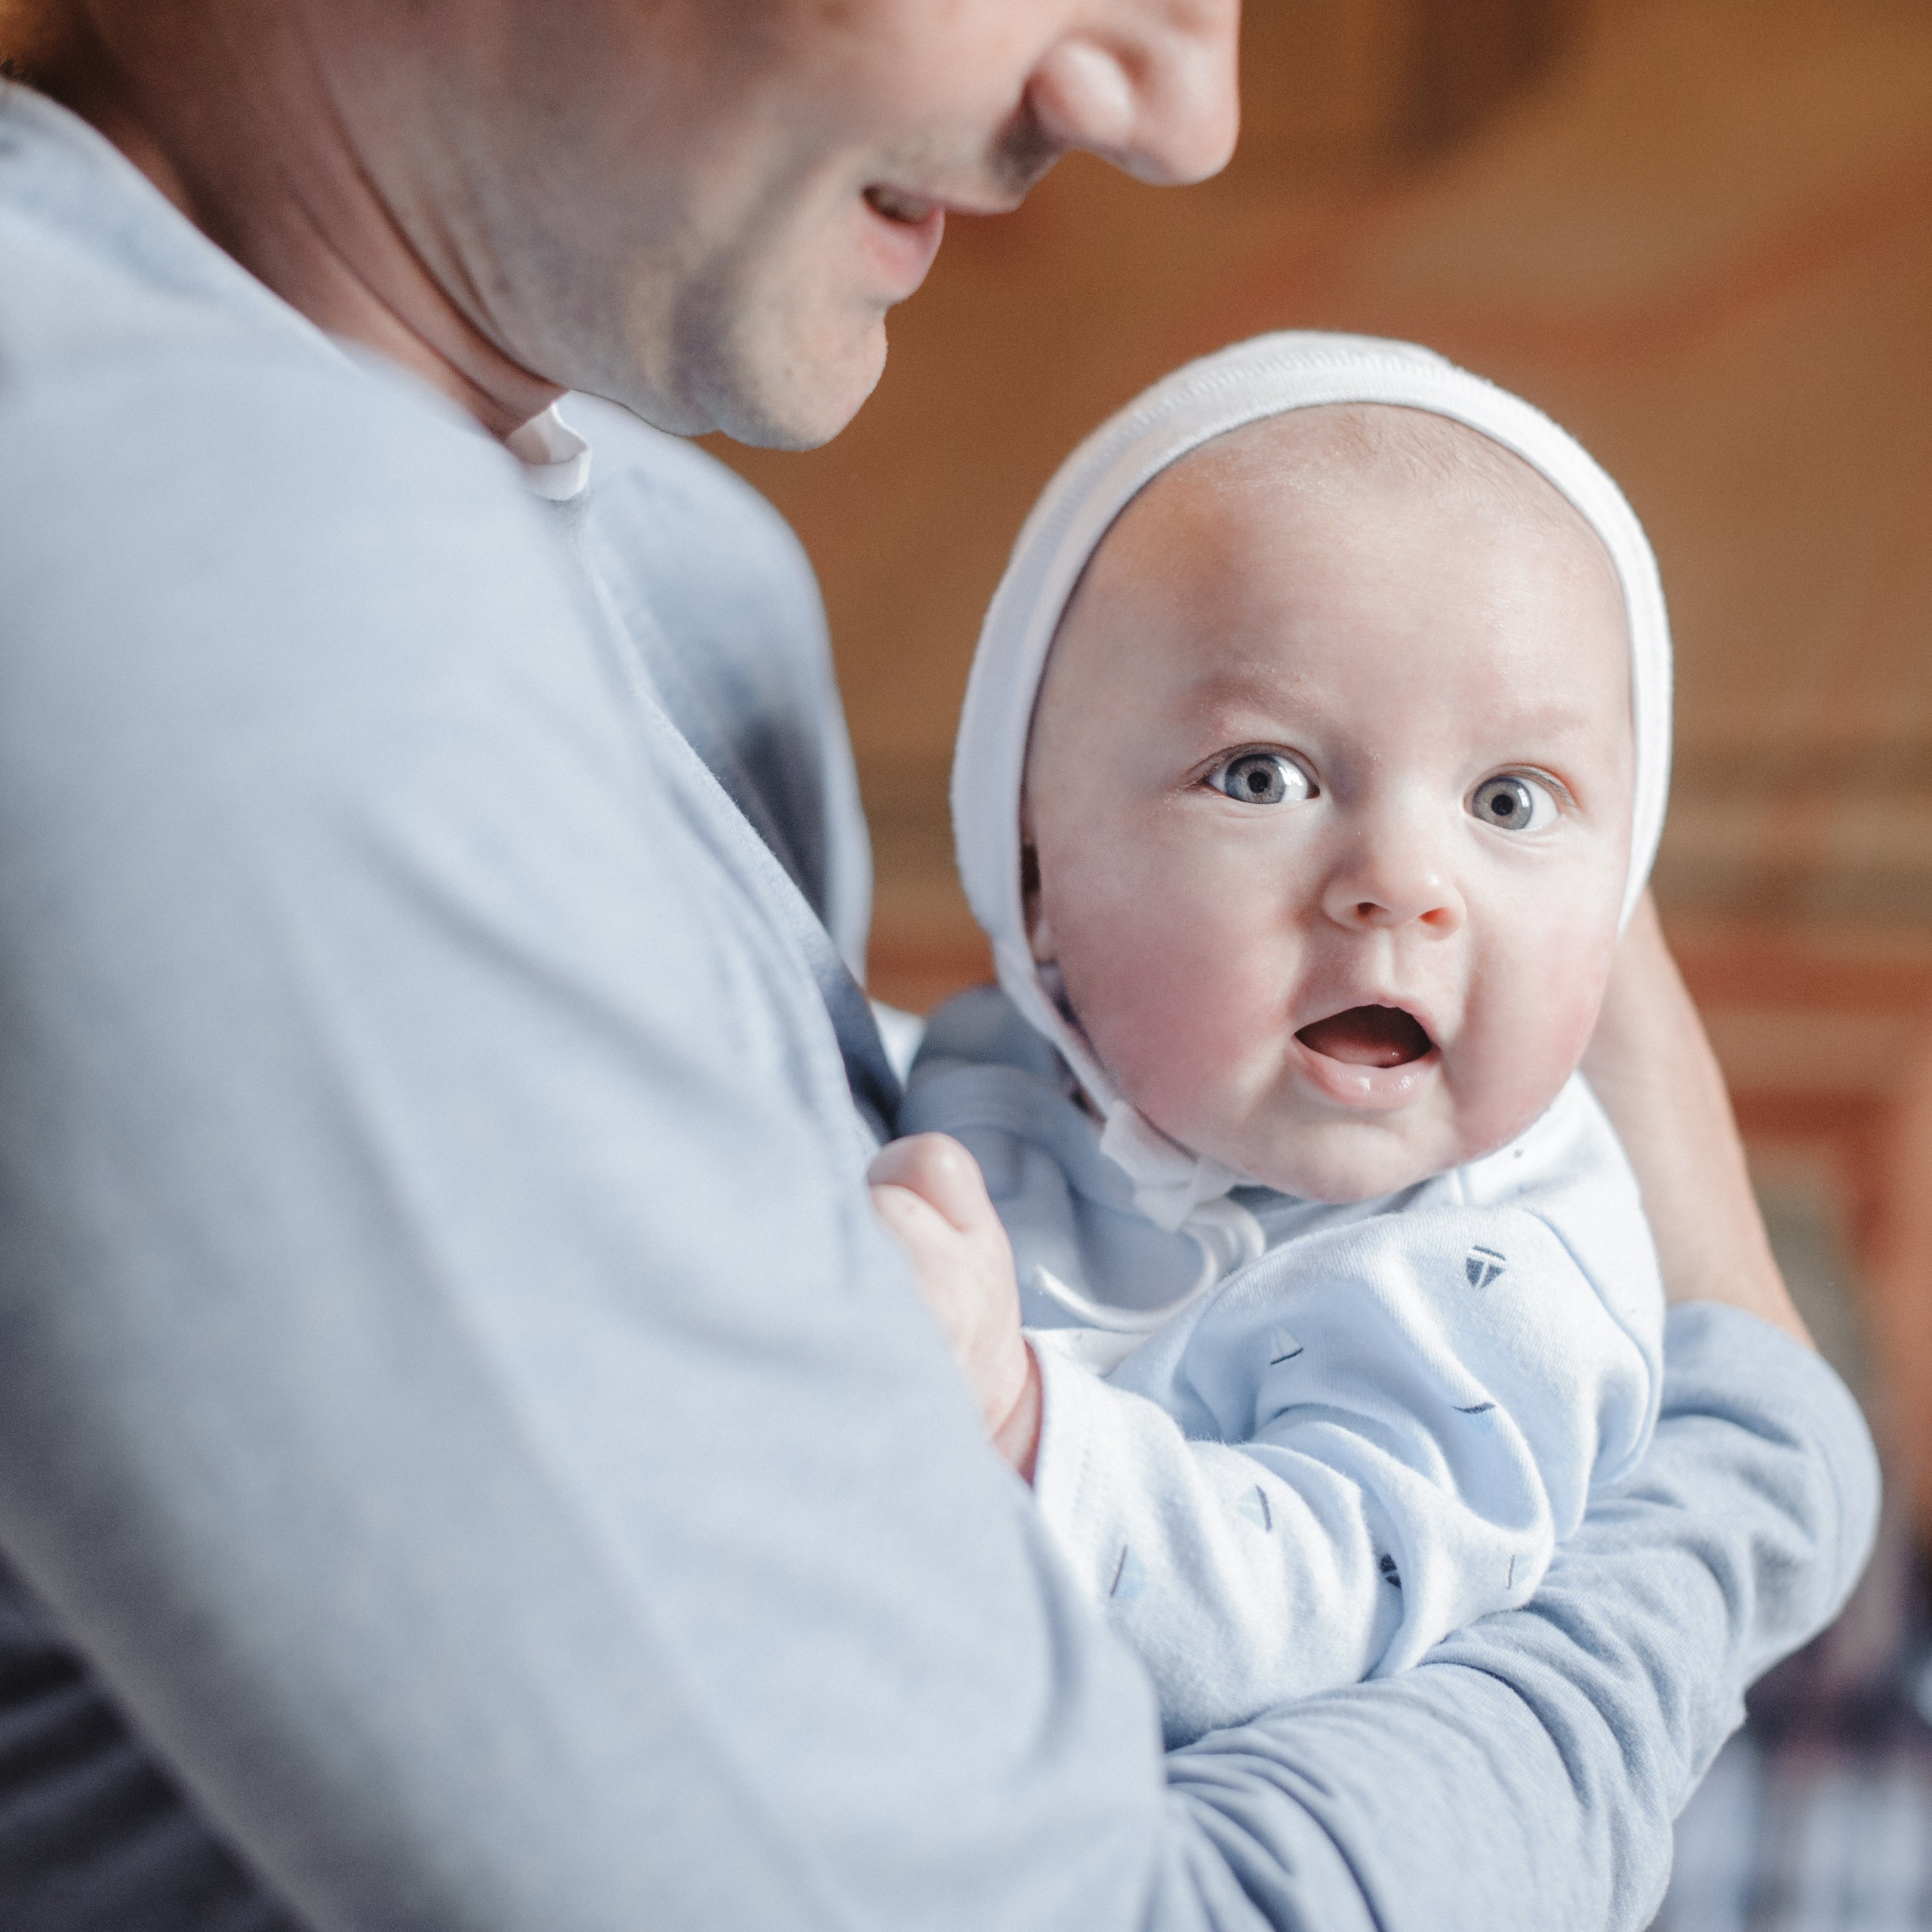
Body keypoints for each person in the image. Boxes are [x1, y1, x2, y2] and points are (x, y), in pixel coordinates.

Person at [0, 5, 1876, 1931]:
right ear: (1041, 870)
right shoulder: (208, 586)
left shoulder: (675, 572)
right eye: (1256, 773)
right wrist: (1733, 1475)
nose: (1173, 111)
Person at [885, 334, 1675, 1746]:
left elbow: (1317, 1599)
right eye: (1267, 775)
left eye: (1510, 801)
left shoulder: (1496, 1285)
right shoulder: (1013, 1064)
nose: (1403, 880)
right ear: (1038, 876)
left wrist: (1013, 1422)